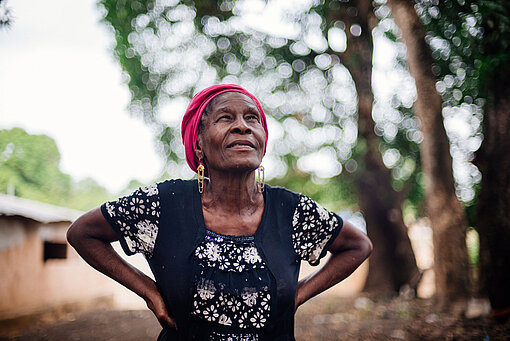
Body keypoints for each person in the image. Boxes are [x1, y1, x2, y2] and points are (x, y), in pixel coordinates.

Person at [67, 84, 372, 340]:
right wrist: (149, 293)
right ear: (198, 144)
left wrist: (299, 294)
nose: (243, 126)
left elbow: (358, 245)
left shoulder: (291, 211)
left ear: (262, 143)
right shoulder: (163, 205)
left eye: (252, 119)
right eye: (225, 118)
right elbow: (82, 233)